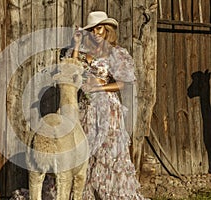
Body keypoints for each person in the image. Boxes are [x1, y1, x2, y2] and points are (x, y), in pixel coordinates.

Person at [62, 11, 147, 199]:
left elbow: (122, 84)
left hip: (109, 107)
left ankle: (109, 192)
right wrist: (76, 45)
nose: (95, 33)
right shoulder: (84, 52)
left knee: (108, 149)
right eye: (91, 30)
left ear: (107, 29)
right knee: (86, 150)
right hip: (85, 108)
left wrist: (99, 88)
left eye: (99, 28)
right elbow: (70, 68)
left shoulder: (116, 53)